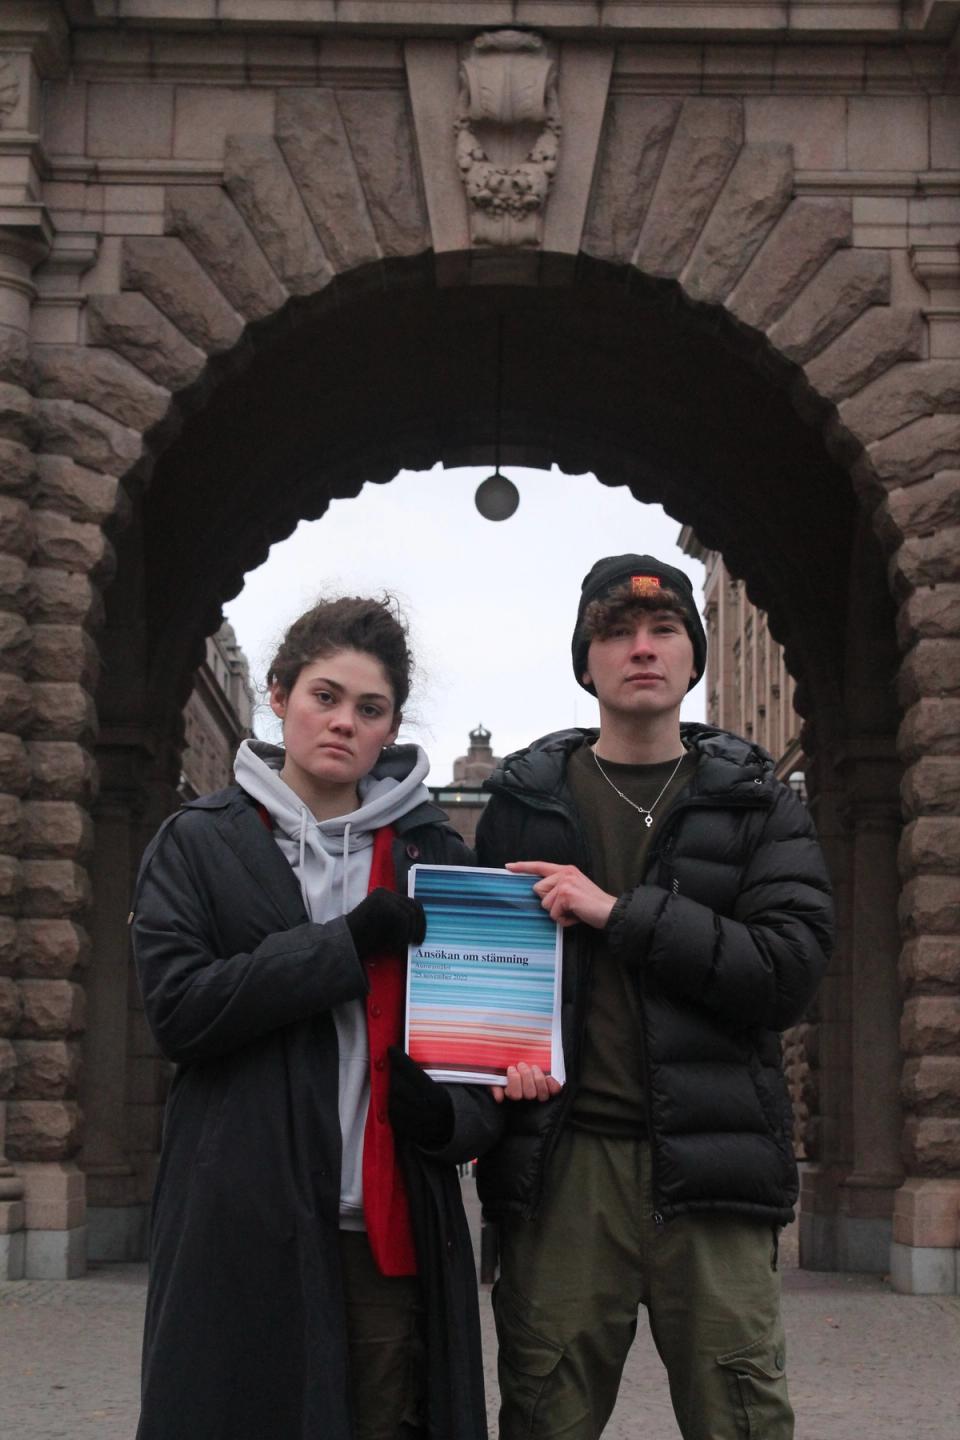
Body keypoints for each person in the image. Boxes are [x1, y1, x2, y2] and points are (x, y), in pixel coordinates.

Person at [475, 555, 833, 1440]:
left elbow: (787, 972)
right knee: (544, 1413)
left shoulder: (758, 805)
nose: (642, 648)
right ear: (585, 662)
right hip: (565, 1172)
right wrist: (495, 1064)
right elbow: (484, 976)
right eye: (616, 634)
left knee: (742, 1418)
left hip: (714, 1172)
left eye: (664, 630)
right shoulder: (522, 804)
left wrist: (620, 913)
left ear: (692, 656)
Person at [131, 595, 500, 1440]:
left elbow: (480, 1058)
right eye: (324, 697)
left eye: (369, 709)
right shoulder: (197, 843)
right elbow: (180, 1012)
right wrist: (343, 946)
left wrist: (451, 1119)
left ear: (391, 727)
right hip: (238, 1224)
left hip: (383, 1231)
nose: (343, 723)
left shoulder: (437, 857)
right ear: (278, 695)